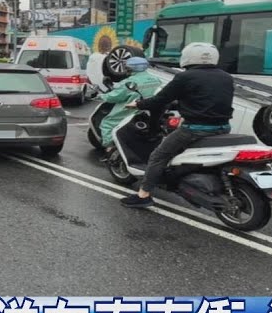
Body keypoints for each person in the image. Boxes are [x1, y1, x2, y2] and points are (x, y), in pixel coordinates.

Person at [120, 42, 235, 208]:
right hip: (223, 127)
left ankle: (143, 195)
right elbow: (206, 98)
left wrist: (138, 104)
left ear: (188, 57)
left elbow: (160, 100)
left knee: (158, 156)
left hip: (195, 129)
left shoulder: (185, 77)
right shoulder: (226, 77)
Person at [97, 56, 164, 149]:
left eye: (127, 68)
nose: (126, 70)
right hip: (149, 110)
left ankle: (110, 147)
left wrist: (101, 96)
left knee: (108, 122)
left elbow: (114, 96)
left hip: (131, 109)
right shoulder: (156, 79)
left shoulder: (131, 81)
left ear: (132, 68)